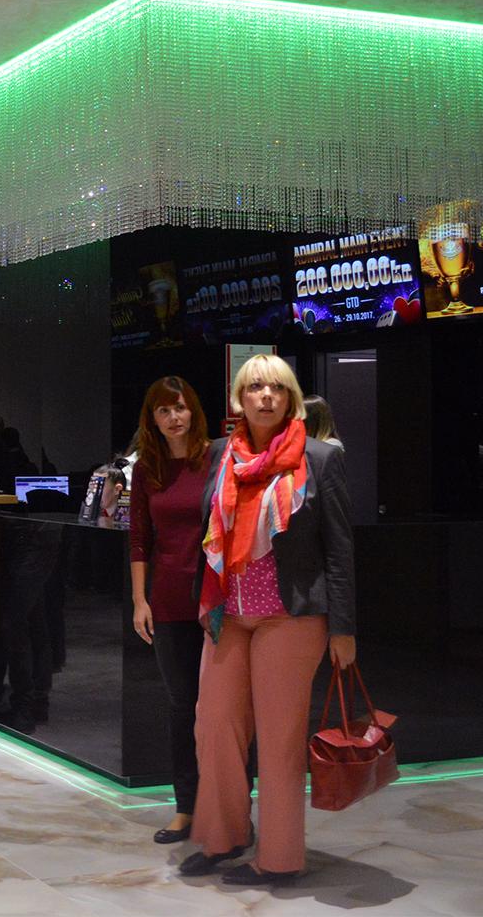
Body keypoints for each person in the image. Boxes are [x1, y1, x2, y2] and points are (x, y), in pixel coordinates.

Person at [183, 354, 356, 887]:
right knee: (214, 725)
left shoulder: (319, 459)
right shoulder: (221, 454)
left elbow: (340, 549)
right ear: (239, 398)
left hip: (291, 617)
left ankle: (279, 859)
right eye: (255, 387)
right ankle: (225, 836)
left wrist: (344, 628)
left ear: (290, 398)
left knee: (279, 740)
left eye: (276, 388)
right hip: (228, 613)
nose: (265, 396)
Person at [127, 376, 212, 845]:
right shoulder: (148, 468)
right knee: (182, 706)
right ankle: (186, 807)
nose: (173, 417)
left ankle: (229, 806)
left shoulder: (216, 459)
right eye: (164, 410)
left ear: (192, 410)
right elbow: (139, 538)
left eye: (179, 407)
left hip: (217, 601)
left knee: (223, 709)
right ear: (153, 420)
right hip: (168, 600)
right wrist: (140, 600)